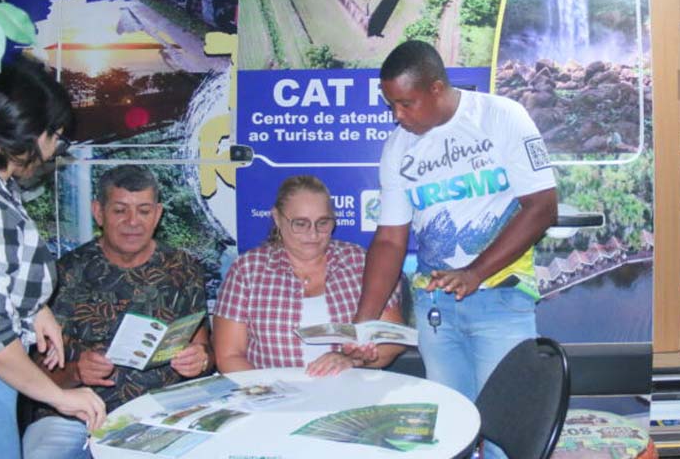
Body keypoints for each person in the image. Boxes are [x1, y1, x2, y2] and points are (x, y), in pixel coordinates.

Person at [353, 40, 557, 458]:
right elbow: (390, 239)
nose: (398, 115)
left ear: (436, 88)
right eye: (391, 104)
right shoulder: (398, 148)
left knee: (506, 436)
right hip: (435, 309)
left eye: (405, 103)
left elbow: (542, 208)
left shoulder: (500, 117)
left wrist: (475, 272)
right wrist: (362, 324)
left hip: (501, 300)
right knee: (448, 434)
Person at [0, 58, 106, 459]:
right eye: (57, 137)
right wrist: (60, 397)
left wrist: (34, 310)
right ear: (36, 134)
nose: (54, 151)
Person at [22, 165, 212, 459]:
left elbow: (203, 347)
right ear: (98, 211)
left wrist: (199, 360)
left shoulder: (183, 269)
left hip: (163, 412)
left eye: (144, 211)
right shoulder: (63, 275)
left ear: (158, 214)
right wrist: (75, 371)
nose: (133, 222)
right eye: (120, 210)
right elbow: (31, 377)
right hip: (74, 414)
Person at [213, 175, 403, 377]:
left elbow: (393, 341)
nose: (313, 234)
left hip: (351, 397)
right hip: (272, 400)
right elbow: (229, 356)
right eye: (300, 224)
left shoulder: (361, 263)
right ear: (277, 218)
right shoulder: (247, 270)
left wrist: (351, 360)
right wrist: (270, 395)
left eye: (323, 223)